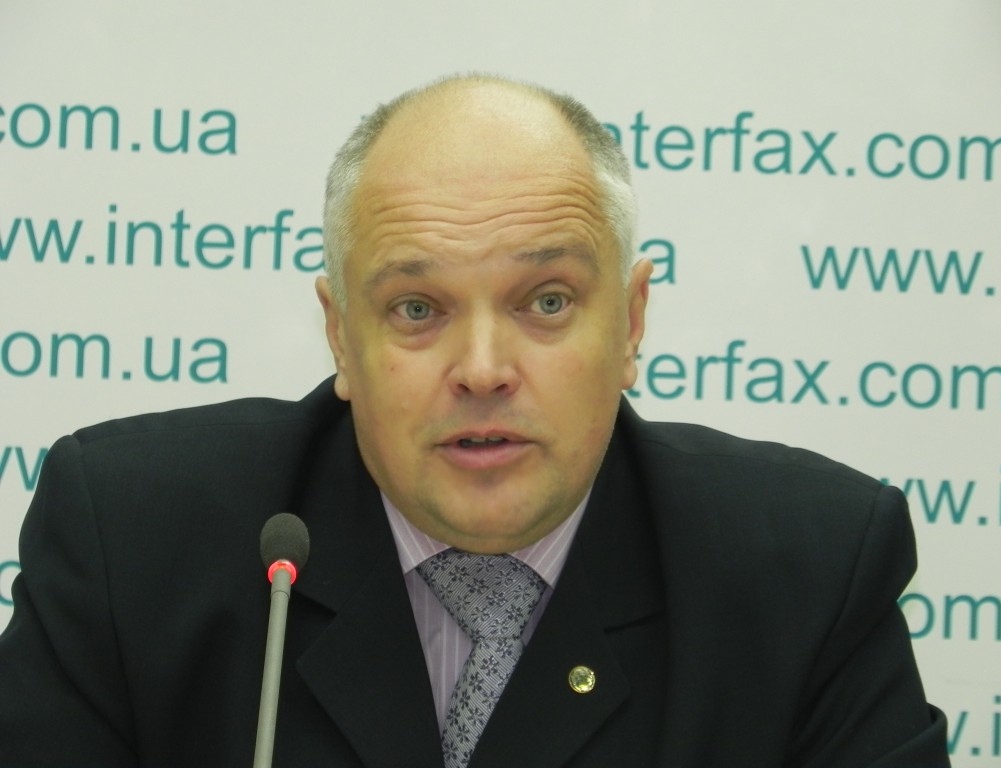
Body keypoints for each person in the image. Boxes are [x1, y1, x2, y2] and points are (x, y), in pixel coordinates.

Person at [0, 74, 949, 767]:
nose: (484, 370)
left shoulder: (807, 573)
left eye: (547, 302)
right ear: (341, 335)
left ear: (631, 324)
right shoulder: (132, 542)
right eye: (417, 309)